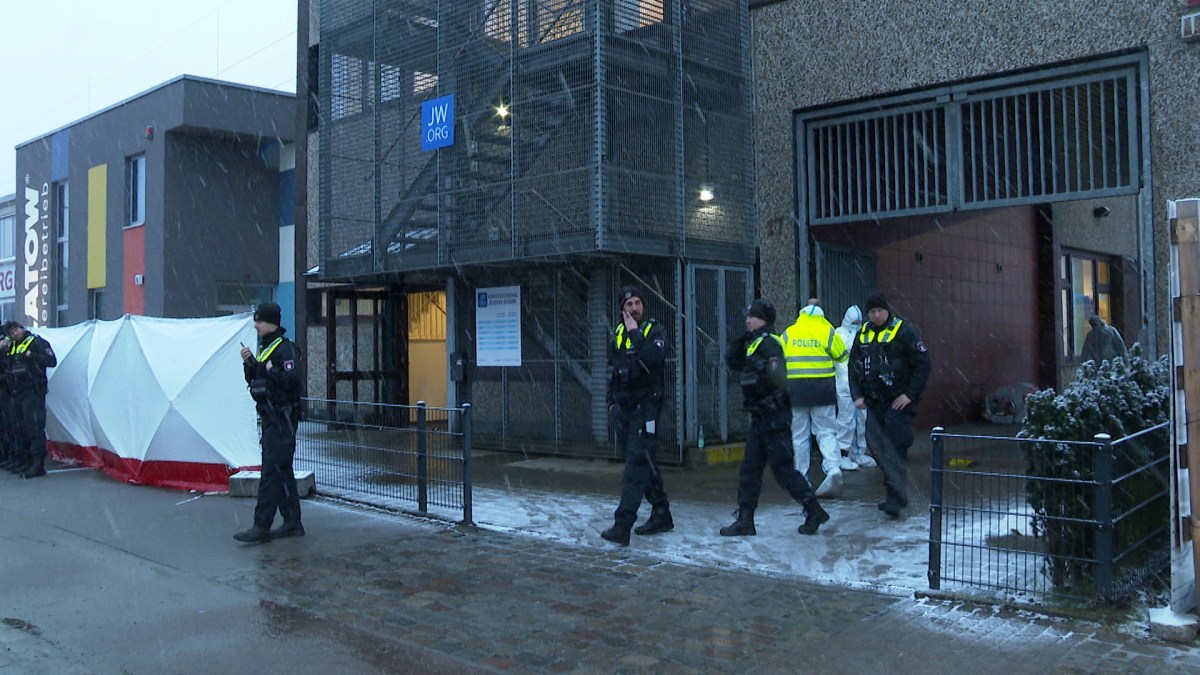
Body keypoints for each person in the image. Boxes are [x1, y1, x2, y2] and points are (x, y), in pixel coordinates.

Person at [721, 300, 829, 537]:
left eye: (753, 317)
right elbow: (733, 360)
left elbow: (777, 378)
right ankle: (745, 519)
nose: (748, 320)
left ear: (764, 320)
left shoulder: (771, 344)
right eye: (748, 316)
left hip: (774, 417)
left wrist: (763, 377)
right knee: (750, 470)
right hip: (761, 417)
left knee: (784, 471)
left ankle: (814, 509)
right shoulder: (755, 342)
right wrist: (742, 340)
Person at [601, 285, 673, 546]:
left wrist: (635, 333)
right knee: (643, 463)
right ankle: (662, 512)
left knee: (635, 467)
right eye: (629, 304)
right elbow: (613, 370)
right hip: (624, 410)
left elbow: (653, 358)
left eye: (638, 303)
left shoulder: (654, 330)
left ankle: (623, 525)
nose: (634, 308)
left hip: (646, 409)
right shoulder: (617, 334)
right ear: (622, 309)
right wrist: (611, 404)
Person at [849, 292, 931, 518]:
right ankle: (895, 491)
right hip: (873, 402)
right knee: (876, 447)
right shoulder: (863, 335)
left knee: (895, 446)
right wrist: (857, 394)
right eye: (872, 312)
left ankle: (896, 495)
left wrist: (910, 395)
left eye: (880, 311)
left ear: (887, 310)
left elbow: (923, 365)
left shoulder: (903, 331)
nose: (876, 316)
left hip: (897, 401)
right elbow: (853, 367)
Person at [234, 303, 305, 544]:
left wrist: (270, 371)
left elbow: (293, 379)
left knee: (271, 473)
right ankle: (292, 523)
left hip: (282, 418)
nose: (255, 325)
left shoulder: (285, 349)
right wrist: (250, 364)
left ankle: (261, 526)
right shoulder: (266, 349)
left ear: (271, 322)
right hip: (271, 417)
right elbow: (259, 379)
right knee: (282, 472)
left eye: (259, 321)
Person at [780, 304, 847, 497]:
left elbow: (780, 358)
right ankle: (833, 468)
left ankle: (801, 477)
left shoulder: (789, 333)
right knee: (826, 431)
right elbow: (841, 356)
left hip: (796, 391)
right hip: (822, 390)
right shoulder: (828, 331)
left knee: (799, 436)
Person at [0, 321, 57, 478]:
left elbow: (51, 361)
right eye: (11, 332)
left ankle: (37, 464)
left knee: (34, 428)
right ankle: (23, 460)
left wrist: (32, 356)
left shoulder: (37, 342)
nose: (15, 334)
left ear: (22, 328)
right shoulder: (12, 346)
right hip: (15, 391)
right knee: (18, 428)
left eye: (16, 330)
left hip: (33, 391)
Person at [834, 305, 875, 470]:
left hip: (859, 385)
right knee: (846, 420)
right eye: (854, 322)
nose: (857, 324)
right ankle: (841, 454)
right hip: (844, 384)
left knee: (861, 419)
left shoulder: (863, 334)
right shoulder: (839, 334)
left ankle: (858, 453)